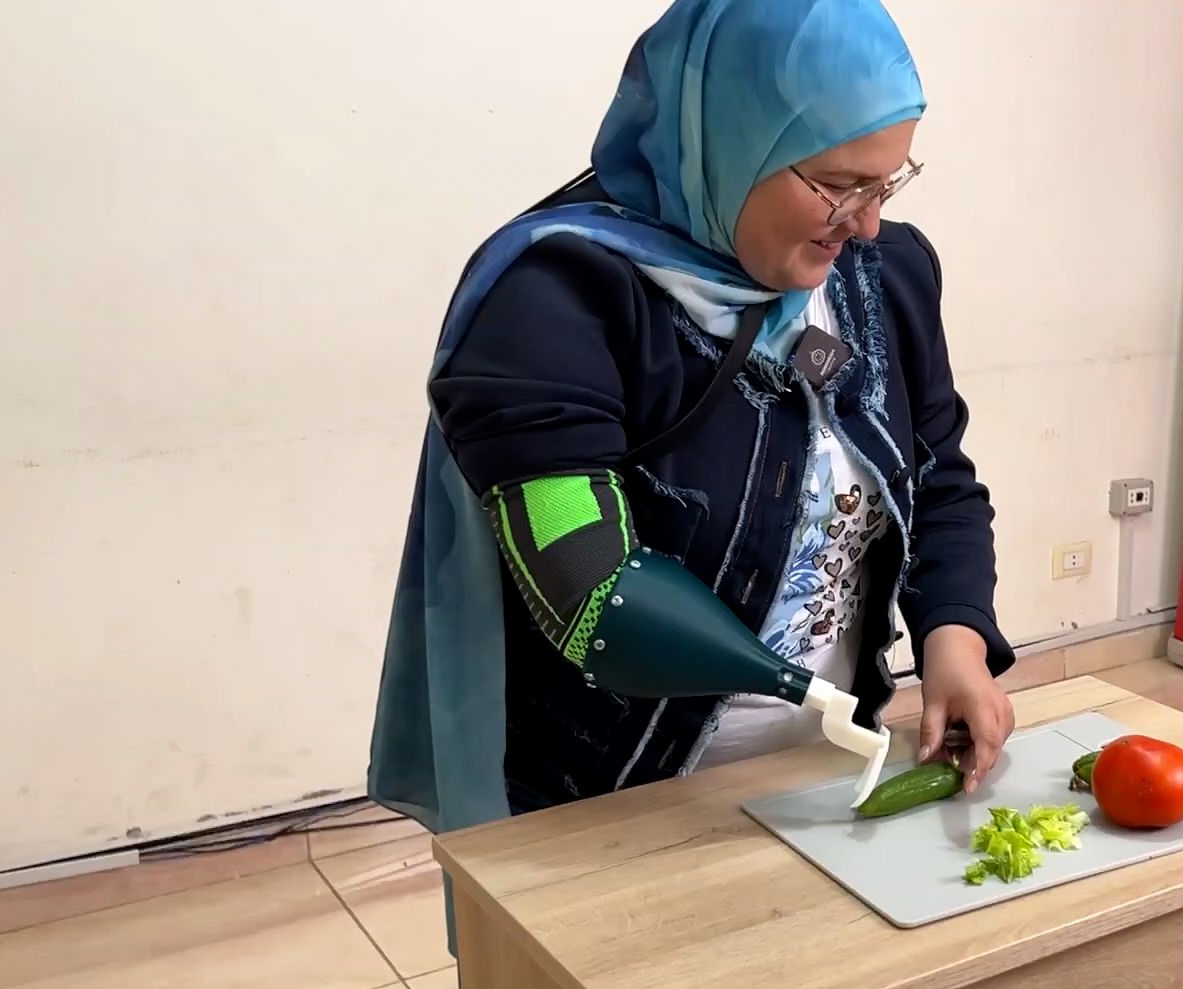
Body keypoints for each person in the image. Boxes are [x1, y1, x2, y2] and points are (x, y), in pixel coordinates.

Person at [367, 0, 1016, 860]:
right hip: (610, 795)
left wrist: (955, 639)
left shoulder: (884, 277)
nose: (865, 222)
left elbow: (937, 479)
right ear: (730, 140)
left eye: (887, 182)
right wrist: (779, 681)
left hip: (831, 765)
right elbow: (586, 583)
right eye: (837, 184)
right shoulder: (556, 297)